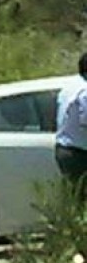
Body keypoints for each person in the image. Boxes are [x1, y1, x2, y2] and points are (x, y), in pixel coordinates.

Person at [55, 52, 87, 190]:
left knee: (78, 199)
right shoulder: (85, 91)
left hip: (66, 150)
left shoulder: (71, 86)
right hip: (80, 154)